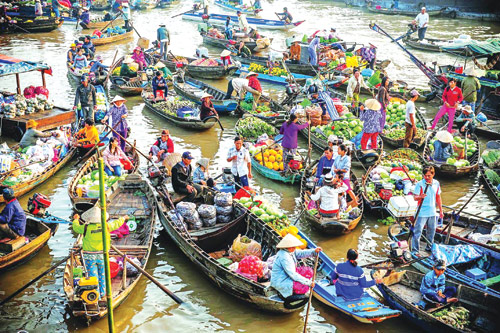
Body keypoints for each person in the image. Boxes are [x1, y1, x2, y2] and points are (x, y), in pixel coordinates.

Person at [72, 206, 128, 299]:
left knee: (93, 276)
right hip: (103, 255)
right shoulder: (106, 226)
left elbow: (76, 227)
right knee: (103, 274)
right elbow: (117, 223)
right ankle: (102, 293)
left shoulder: (85, 227)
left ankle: (96, 295)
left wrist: (75, 220)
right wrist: (124, 218)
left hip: (89, 257)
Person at [270, 234, 321, 306]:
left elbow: (300, 253)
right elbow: (293, 274)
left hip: (287, 275)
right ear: (287, 247)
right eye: (292, 247)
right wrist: (308, 283)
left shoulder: (290, 251)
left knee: (308, 271)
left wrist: (314, 251)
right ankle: (287, 295)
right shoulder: (284, 257)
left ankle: (296, 289)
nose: (294, 248)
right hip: (281, 280)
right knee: (304, 287)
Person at [412, 165, 443, 253]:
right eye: (425, 175)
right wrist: (420, 197)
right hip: (421, 212)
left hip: (432, 212)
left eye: (429, 176)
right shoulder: (420, 184)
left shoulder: (436, 183)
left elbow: (438, 197)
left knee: (431, 231)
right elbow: (415, 197)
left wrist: (441, 210)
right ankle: (415, 250)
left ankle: (429, 247)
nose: (427, 177)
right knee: (418, 232)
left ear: (433, 175)